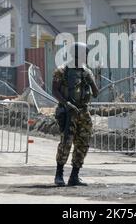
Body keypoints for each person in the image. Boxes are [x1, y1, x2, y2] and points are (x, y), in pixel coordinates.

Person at [53, 42, 99, 187]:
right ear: (76, 54)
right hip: (68, 111)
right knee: (66, 143)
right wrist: (67, 104)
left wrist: (91, 80)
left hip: (83, 112)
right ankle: (59, 175)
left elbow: (96, 93)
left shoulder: (87, 72)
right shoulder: (62, 71)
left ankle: (74, 176)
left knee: (83, 143)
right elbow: (55, 91)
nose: (86, 57)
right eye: (85, 54)